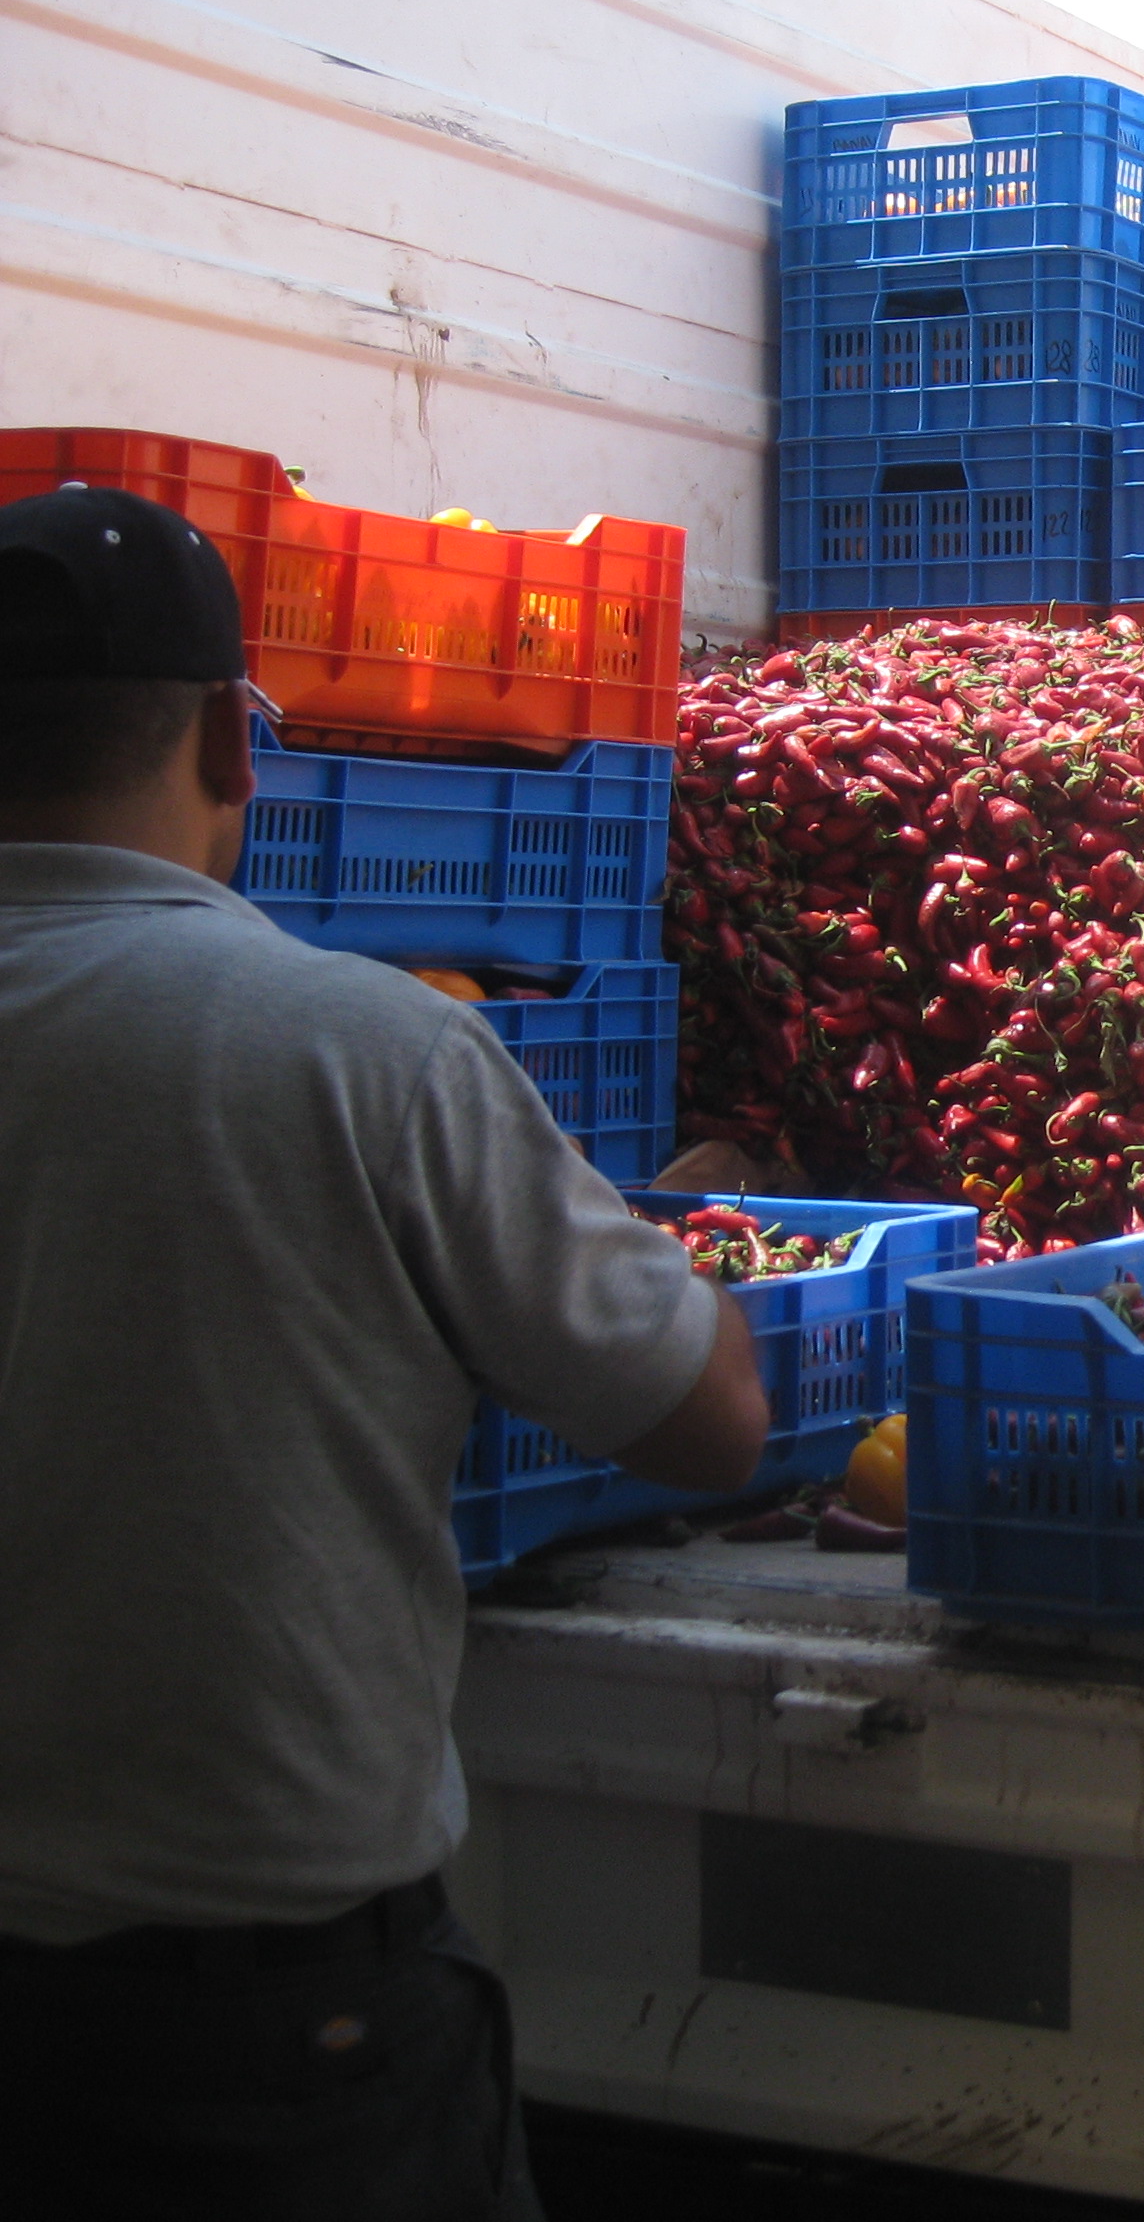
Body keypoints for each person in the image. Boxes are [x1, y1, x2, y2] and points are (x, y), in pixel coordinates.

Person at [0, 484, 770, 2219]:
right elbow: (709, 1420)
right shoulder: (365, 1050)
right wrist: (651, 1232)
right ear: (227, 737)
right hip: (259, 2041)